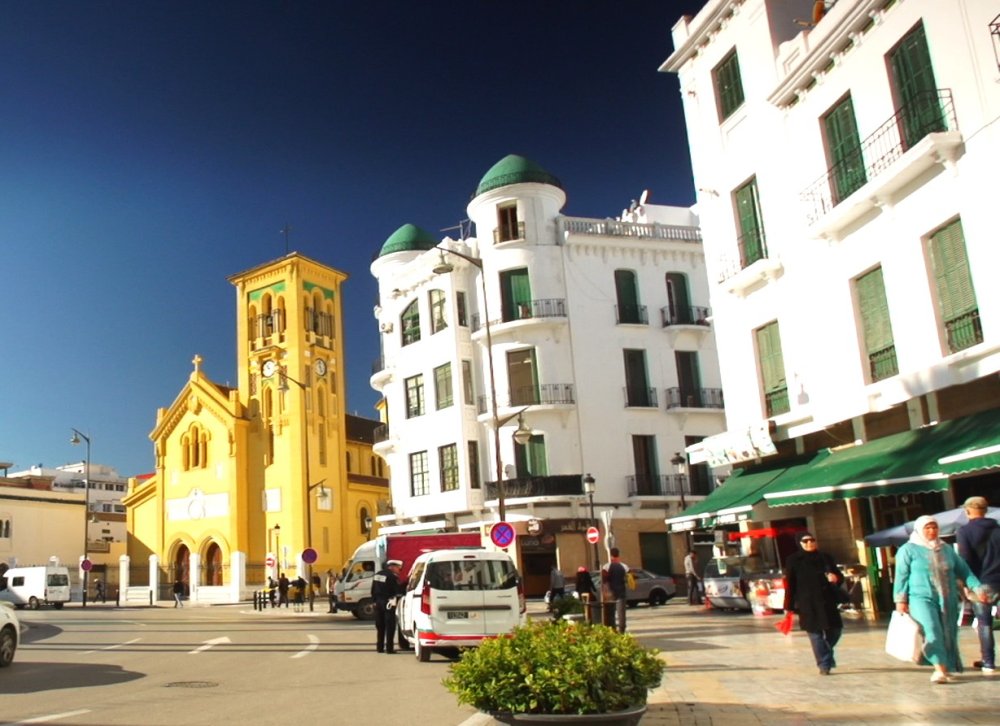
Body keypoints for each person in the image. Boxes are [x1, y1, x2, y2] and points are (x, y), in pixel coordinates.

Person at [894, 514, 983, 684]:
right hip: (921, 598)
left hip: (947, 598)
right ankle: (939, 668)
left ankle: (946, 666)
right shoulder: (908, 550)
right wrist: (900, 600)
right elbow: (901, 576)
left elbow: (963, 570)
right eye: (927, 528)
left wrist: (977, 587)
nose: (932, 531)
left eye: (934, 527)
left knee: (948, 631)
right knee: (932, 629)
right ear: (920, 529)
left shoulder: (946, 549)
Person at [782, 532, 845, 675]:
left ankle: (826, 655)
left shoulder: (825, 557)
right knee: (815, 635)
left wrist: (836, 578)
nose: (809, 543)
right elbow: (790, 584)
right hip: (807, 604)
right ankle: (824, 665)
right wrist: (788, 605)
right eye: (806, 541)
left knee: (835, 630)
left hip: (827, 601)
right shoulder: (793, 560)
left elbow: (839, 576)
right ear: (800, 543)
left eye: (812, 540)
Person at [957, 496, 1000, 675]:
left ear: (967, 511)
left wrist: (966, 584)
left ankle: (988, 662)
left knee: (984, 623)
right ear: (986, 510)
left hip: (981, 582)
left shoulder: (964, 531)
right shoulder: (998, 529)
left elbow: (965, 560)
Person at [372, 559, 402, 654]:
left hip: (378, 602)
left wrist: (374, 601)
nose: (399, 570)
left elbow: (373, 589)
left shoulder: (377, 574)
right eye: (398, 568)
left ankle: (379, 647)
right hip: (388, 602)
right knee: (390, 626)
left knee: (380, 626)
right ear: (392, 567)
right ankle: (389, 648)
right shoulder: (392, 577)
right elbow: (396, 591)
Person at [602, 547, 628, 633]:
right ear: (618, 554)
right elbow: (629, 579)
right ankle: (622, 631)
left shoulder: (606, 567)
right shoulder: (624, 567)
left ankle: (612, 630)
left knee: (610, 614)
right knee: (621, 614)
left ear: (611, 555)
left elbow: (604, 580)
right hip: (621, 592)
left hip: (610, 594)